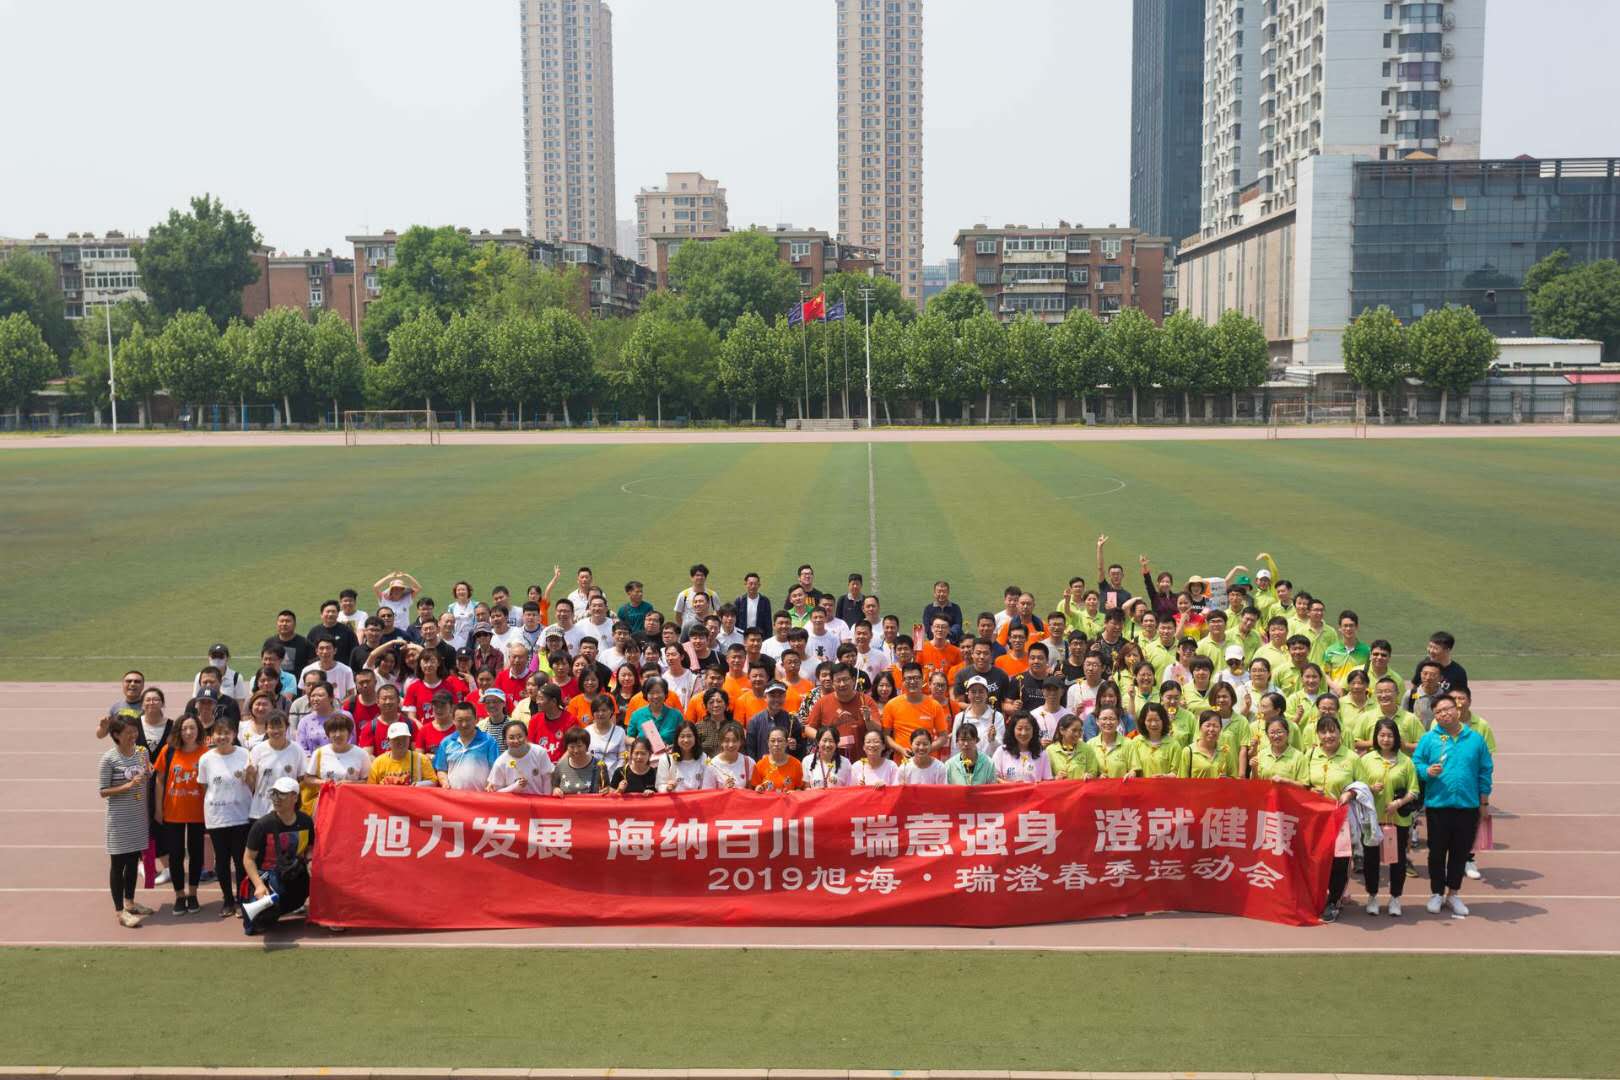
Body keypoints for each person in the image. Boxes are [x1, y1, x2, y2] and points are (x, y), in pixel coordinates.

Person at [1412, 696, 1492, 918]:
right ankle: (1436, 893)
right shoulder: (1430, 739)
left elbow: (1485, 771)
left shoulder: (1475, 739)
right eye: (1438, 712)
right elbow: (1416, 763)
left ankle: (1453, 893)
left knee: (1460, 853)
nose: (1443, 714)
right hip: (1438, 805)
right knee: (1437, 853)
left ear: (1456, 709)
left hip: (1468, 806)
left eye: (1447, 709)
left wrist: (1484, 802)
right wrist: (1427, 771)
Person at [1359, 717, 1420, 917]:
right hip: (1372, 819)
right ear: (1376, 737)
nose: (1386, 739)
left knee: (1398, 860)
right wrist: (1370, 788)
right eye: (1382, 735)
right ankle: (1372, 896)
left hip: (1398, 820)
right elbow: (1357, 788)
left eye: (1390, 735)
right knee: (1371, 859)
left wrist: (1399, 803)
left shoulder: (1406, 761)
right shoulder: (1366, 760)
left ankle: (1395, 898)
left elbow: (1414, 790)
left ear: (1396, 738)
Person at [241, 776, 314, 936]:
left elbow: (309, 847)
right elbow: (248, 859)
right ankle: (272, 908)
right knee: (255, 924)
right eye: (273, 794)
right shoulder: (262, 825)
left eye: (281, 794)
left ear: (295, 797)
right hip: (268, 876)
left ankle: (291, 905)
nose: (276, 798)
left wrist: (310, 861)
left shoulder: (306, 821)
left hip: (294, 873)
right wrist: (259, 885)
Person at [100, 716, 153, 928]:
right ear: (116, 735)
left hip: (138, 817)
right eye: (128, 732)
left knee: (133, 862)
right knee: (118, 865)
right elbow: (103, 791)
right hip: (119, 820)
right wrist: (127, 786)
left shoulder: (142, 753)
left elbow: (147, 773)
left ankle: (130, 902)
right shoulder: (109, 759)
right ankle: (119, 910)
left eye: (135, 731)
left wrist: (149, 772)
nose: (133, 735)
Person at [1306, 716, 1360, 922]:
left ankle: (1334, 900)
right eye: (1323, 731)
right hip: (1316, 818)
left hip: (1341, 817)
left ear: (1340, 732)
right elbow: (1302, 782)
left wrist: (1350, 793)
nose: (1328, 736)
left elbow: (1362, 786)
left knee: (1339, 860)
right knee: (1317, 858)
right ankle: (1318, 896)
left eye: (1332, 731)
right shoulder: (1310, 755)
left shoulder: (1351, 757)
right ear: (1317, 735)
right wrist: (1311, 790)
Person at [152, 715, 208, 915]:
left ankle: (192, 894)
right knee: (175, 855)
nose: (188, 732)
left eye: (192, 728)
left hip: (198, 812)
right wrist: (159, 809)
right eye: (184, 728)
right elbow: (159, 780)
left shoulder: (206, 753)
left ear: (198, 730)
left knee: (196, 854)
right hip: (173, 811)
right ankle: (179, 895)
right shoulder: (168, 751)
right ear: (178, 730)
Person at [198, 720, 253, 918]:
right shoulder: (206, 759)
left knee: (240, 860)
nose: (222, 737)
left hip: (241, 815)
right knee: (221, 860)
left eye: (226, 733)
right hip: (217, 817)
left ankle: (242, 899)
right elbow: (204, 786)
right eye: (218, 733)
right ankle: (228, 900)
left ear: (234, 734)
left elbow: (251, 783)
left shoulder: (245, 754)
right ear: (212, 736)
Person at [246, 712, 306, 817]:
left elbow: (302, 779)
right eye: (272, 727)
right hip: (261, 811)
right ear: (266, 729)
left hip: (287, 811)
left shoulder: (297, 750)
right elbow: (250, 784)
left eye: (280, 727)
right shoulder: (258, 750)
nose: (276, 731)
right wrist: (249, 774)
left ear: (287, 727)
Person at [486, 720, 555, 796]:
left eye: (520, 736)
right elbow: (495, 793)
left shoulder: (539, 752)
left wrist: (546, 800)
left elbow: (547, 780)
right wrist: (515, 787)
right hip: (513, 803)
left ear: (526, 736)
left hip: (538, 801)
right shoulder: (500, 762)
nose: (516, 741)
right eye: (511, 738)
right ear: (505, 741)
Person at [368, 721, 439, 786]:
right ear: (388, 741)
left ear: (409, 739)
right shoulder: (378, 763)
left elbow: (433, 781)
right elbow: (370, 788)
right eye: (396, 739)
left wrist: (418, 785)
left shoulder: (421, 759)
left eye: (404, 738)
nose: (401, 742)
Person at [1250, 715, 1309, 786]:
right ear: (1267, 735)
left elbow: (1304, 786)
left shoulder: (1299, 757)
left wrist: (1285, 781)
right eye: (1272, 733)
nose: (1276, 736)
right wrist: (1254, 768)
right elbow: (1255, 784)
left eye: (1279, 732)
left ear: (1287, 733)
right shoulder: (1261, 754)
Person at [993, 713, 1052, 783]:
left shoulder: (1042, 754)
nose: (1023, 733)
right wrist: (1008, 784)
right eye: (1019, 729)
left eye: (1027, 729)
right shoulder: (1001, 751)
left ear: (1034, 731)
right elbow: (993, 777)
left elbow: (1047, 781)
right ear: (1012, 730)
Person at [1130, 703, 1182, 779]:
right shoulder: (1136, 742)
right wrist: (1132, 772)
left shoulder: (1174, 745)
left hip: (1165, 785)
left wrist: (1166, 776)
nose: (1153, 724)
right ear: (1143, 721)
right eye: (1149, 720)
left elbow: (1177, 773)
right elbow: (1133, 768)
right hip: (1142, 786)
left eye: (1157, 720)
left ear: (1163, 720)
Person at [656, 721, 709, 792]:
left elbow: (708, 784)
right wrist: (668, 788)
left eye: (689, 736)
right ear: (677, 739)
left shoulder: (703, 757)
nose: (686, 740)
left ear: (695, 738)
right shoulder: (666, 759)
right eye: (682, 736)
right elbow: (660, 785)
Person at [1045, 715, 1101, 781]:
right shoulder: (1050, 750)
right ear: (1062, 730)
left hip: (1082, 788)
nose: (1077, 734)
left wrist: (1089, 776)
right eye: (1074, 730)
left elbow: (1093, 772)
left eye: (1080, 730)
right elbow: (1045, 778)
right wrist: (1055, 778)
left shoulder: (1087, 749)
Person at [554, 727, 607, 795]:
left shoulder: (600, 765)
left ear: (587, 746)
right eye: (572, 747)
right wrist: (556, 790)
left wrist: (607, 790)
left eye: (579, 746)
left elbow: (606, 788)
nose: (576, 750)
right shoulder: (560, 765)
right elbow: (554, 786)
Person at [1182, 712, 1235, 779]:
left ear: (1220, 729)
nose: (1211, 729)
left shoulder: (1225, 751)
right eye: (1208, 725)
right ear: (1200, 728)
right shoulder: (1189, 751)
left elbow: (1234, 778)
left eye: (1215, 726)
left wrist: (1227, 779)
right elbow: (1182, 781)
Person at [704, 721, 754, 790]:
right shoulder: (712, 765)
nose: (731, 745)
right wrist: (724, 790)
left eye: (735, 741)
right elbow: (707, 793)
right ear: (721, 742)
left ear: (741, 742)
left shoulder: (749, 762)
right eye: (727, 741)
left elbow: (754, 791)